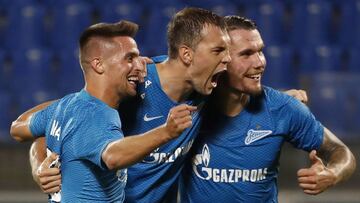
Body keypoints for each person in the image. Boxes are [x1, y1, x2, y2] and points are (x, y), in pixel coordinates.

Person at [10, 20, 196, 202]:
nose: (140, 65)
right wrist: (167, 131)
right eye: (129, 58)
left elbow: (18, 129)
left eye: (138, 58)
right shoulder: (98, 116)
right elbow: (113, 157)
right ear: (98, 65)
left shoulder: (68, 105)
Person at [179, 15, 356, 202]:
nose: (259, 63)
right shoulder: (188, 107)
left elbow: (341, 152)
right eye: (246, 54)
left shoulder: (283, 108)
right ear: (220, 59)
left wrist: (332, 174)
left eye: (260, 51)